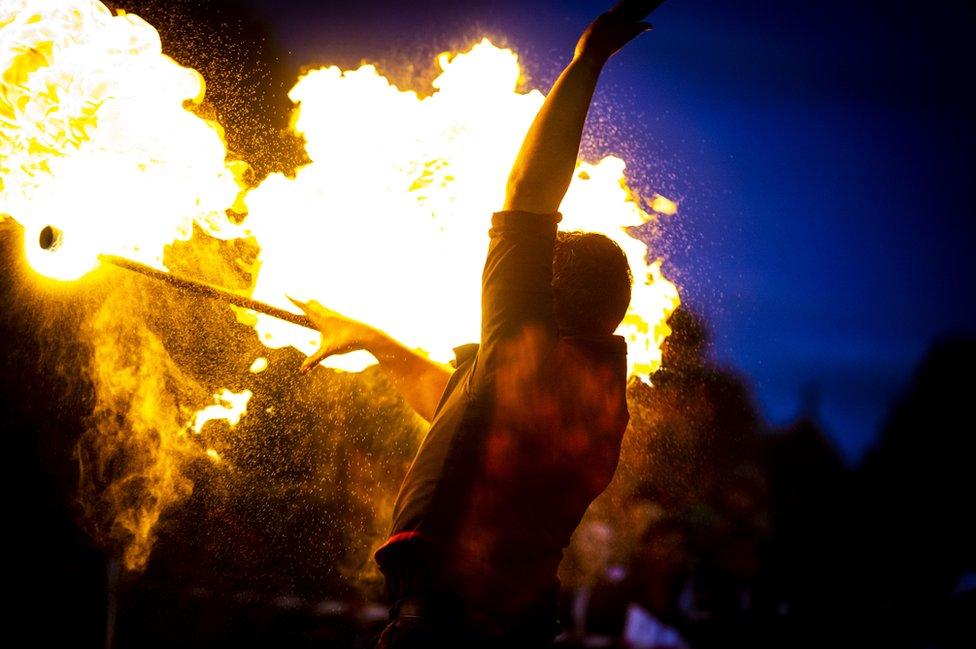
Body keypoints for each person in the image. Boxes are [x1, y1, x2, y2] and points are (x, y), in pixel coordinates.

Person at [291, 2, 662, 645]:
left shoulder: (534, 351)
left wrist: (586, 61)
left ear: (545, 296)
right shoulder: (592, 398)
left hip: (449, 633)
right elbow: (461, 412)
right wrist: (379, 345)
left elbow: (528, 197)